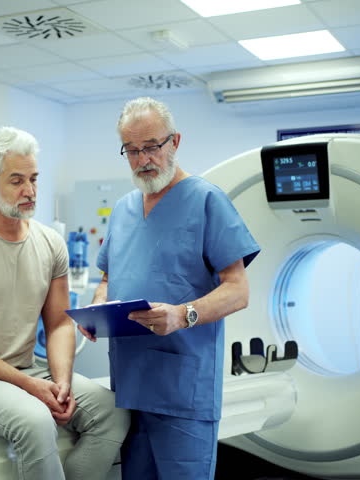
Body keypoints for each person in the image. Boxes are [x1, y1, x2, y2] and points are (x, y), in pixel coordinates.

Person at [0, 126, 130, 480]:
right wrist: (30, 387)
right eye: (17, 181)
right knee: (36, 420)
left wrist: (62, 382)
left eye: (34, 179)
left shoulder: (51, 244)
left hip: (23, 371)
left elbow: (59, 323)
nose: (30, 191)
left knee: (114, 413)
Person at [81, 97, 260, 479]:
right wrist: (98, 308)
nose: (143, 158)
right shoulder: (124, 210)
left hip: (182, 391)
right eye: (132, 150)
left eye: (152, 146)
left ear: (175, 142)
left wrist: (183, 315)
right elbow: (108, 277)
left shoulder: (207, 201)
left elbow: (238, 289)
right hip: (129, 388)